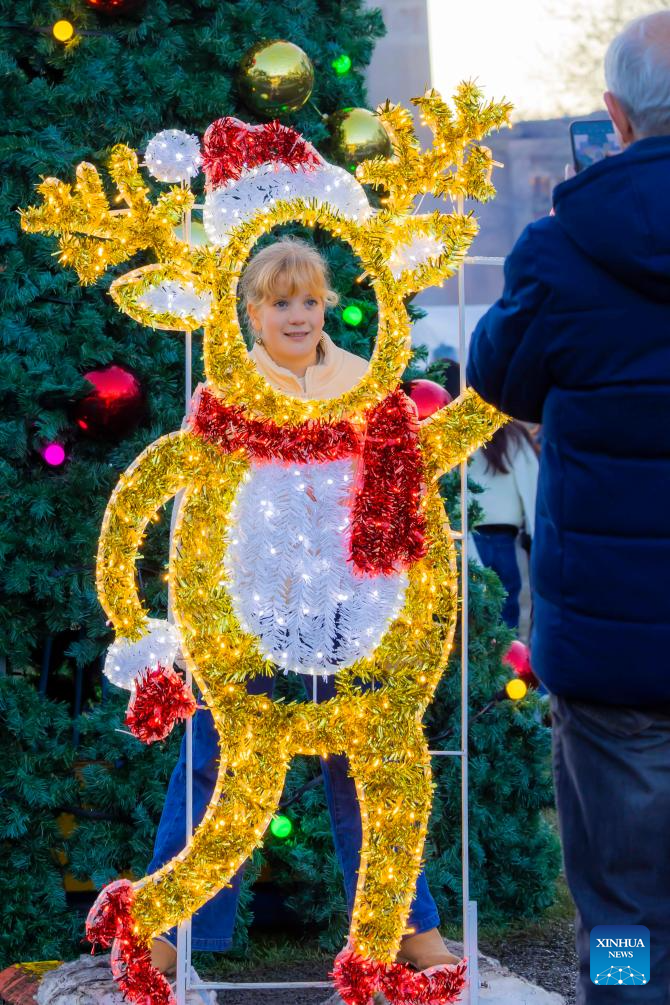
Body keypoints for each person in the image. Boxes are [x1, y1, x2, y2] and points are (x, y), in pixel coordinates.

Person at [149, 238, 459, 998]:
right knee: (210, 768)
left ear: (327, 306)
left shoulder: (363, 383)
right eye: (281, 301)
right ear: (252, 311)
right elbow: (195, 510)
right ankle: (167, 931)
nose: (297, 314)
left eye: (310, 299)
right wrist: (188, 620)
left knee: (369, 769)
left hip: (351, 614)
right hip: (248, 612)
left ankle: (409, 929)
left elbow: (403, 495)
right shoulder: (227, 389)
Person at [466, 11, 670, 1004]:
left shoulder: (560, 248)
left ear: (614, 115)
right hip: (610, 643)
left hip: (612, 647)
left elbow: (498, 374)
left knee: (622, 901)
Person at [470, 422, 538, 630]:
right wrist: (537, 537)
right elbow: (533, 486)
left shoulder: (467, 435)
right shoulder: (516, 438)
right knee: (507, 614)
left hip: (472, 539)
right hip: (505, 541)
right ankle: (507, 660)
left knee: (475, 614)